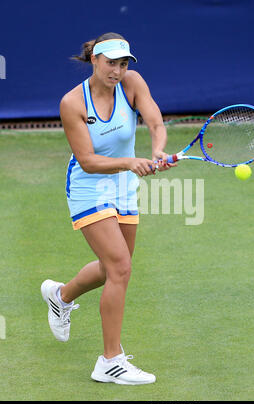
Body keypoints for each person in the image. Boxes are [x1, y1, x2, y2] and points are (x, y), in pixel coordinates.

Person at [41, 32, 175, 385]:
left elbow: (156, 122)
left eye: (123, 63)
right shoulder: (73, 103)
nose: (118, 70)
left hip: (124, 187)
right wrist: (132, 161)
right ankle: (110, 361)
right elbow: (86, 161)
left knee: (110, 268)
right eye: (111, 62)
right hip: (88, 186)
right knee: (120, 267)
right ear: (95, 61)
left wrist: (158, 150)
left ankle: (61, 295)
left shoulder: (132, 83)